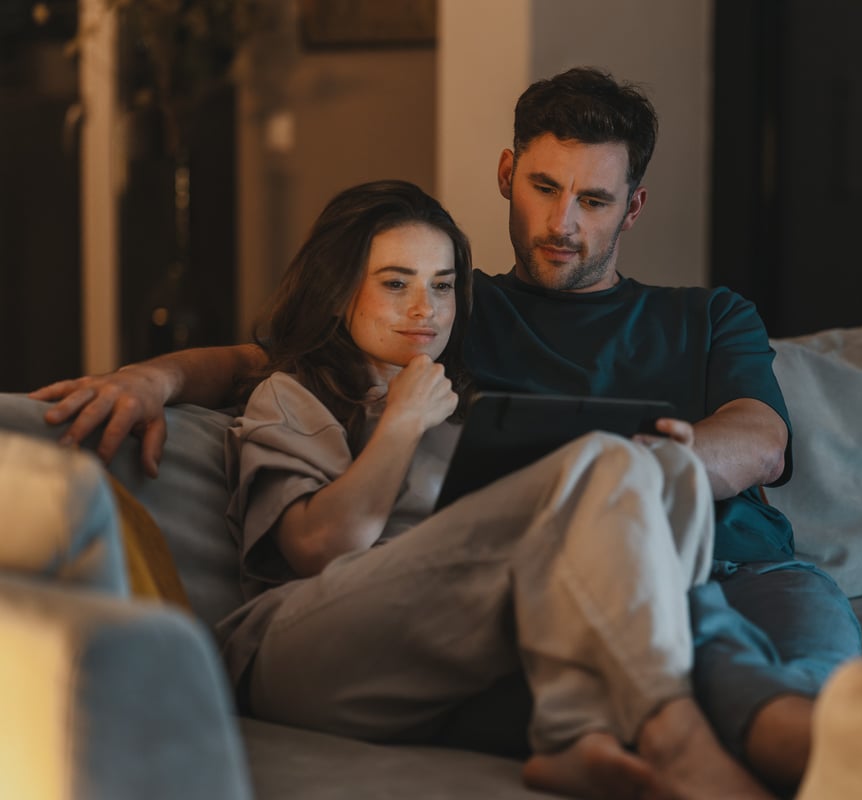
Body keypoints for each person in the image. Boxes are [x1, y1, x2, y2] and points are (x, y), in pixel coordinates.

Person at [31, 68, 862, 798]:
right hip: (542, 560)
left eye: (591, 200)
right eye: (543, 189)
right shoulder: (456, 314)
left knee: (750, 637)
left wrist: (659, 465)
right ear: (506, 175)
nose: (562, 225)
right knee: (634, 561)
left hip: (727, 566)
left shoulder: (705, 316)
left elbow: (760, 438)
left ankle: (837, 747)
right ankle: (809, 751)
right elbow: (276, 357)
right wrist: (150, 375)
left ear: (633, 207)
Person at [214, 177, 778, 800]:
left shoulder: (461, 408)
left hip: (435, 648)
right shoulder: (289, 394)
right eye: (395, 283)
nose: (425, 308)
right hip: (301, 651)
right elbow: (322, 547)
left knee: (664, 468)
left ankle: (585, 734)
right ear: (339, 291)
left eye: (443, 285)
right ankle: (673, 737)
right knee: (602, 460)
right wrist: (400, 422)